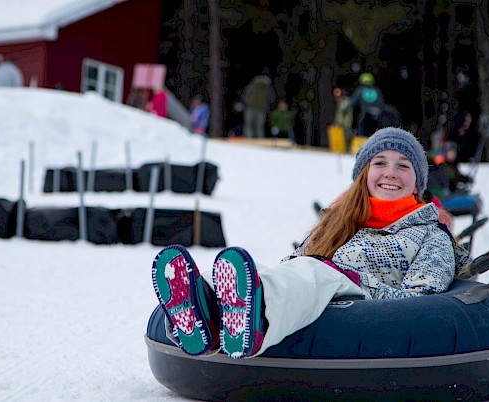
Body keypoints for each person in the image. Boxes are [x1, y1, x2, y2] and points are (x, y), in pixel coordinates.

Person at [151, 127, 469, 358]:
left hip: (360, 307)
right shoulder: (338, 221)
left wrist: (350, 277)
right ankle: (203, 312)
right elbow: (294, 265)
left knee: (317, 275)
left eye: (403, 165)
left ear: (418, 182)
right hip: (314, 286)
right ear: (364, 174)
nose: (391, 173)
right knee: (266, 273)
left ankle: (254, 319)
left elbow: (421, 302)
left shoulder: (431, 234)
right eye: (380, 163)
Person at [349, 72, 385, 138]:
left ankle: (361, 142)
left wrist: (347, 108)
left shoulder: (360, 90)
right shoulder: (377, 91)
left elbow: (353, 102)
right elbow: (381, 104)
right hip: (377, 114)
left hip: (366, 113)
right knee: (375, 131)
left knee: (361, 128)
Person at [241, 73, 275, 139]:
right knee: (259, 126)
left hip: (250, 107)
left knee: (248, 124)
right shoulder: (268, 87)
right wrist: (267, 106)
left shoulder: (253, 84)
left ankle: (248, 138)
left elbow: (246, 94)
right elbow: (272, 98)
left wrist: (246, 103)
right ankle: (260, 139)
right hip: (261, 109)